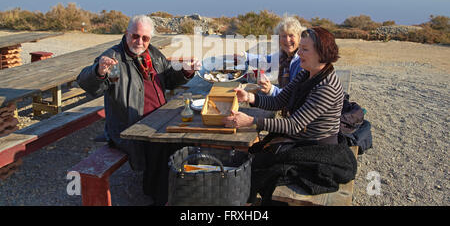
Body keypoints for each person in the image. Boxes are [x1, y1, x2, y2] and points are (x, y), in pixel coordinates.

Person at [77, 14, 200, 205]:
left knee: (185, 141)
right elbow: (88, 84)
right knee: (162, 146)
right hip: (131, 126)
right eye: (135, 36)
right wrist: (98, 72)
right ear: (126, 34)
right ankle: (159, 196)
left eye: (145, 38)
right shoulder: (113, 58)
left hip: (158, 118)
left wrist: (186, 71)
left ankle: (175, 191)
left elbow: (168, 78)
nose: (140, 41)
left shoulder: (152, 54)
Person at [224, 27, 356, 204]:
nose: (299, 52)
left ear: (322, 53)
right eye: (300, 48)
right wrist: (250, 97)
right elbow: (279, 101)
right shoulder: (305, 73)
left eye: (305, 49)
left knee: (260, 169)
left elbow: (293, 125)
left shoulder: (327, 87)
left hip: (315, 146)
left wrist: (250, 121)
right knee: (254, 158)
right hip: (299, 137)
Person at [244, 16, 305, 96]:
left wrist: (271, 90)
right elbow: (265, 61)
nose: (287, 40)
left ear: (299, 38)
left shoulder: (303, 61)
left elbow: (294, 95)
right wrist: (244, 56)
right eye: (283, 36)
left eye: (291, 35)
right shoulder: (284, 56)